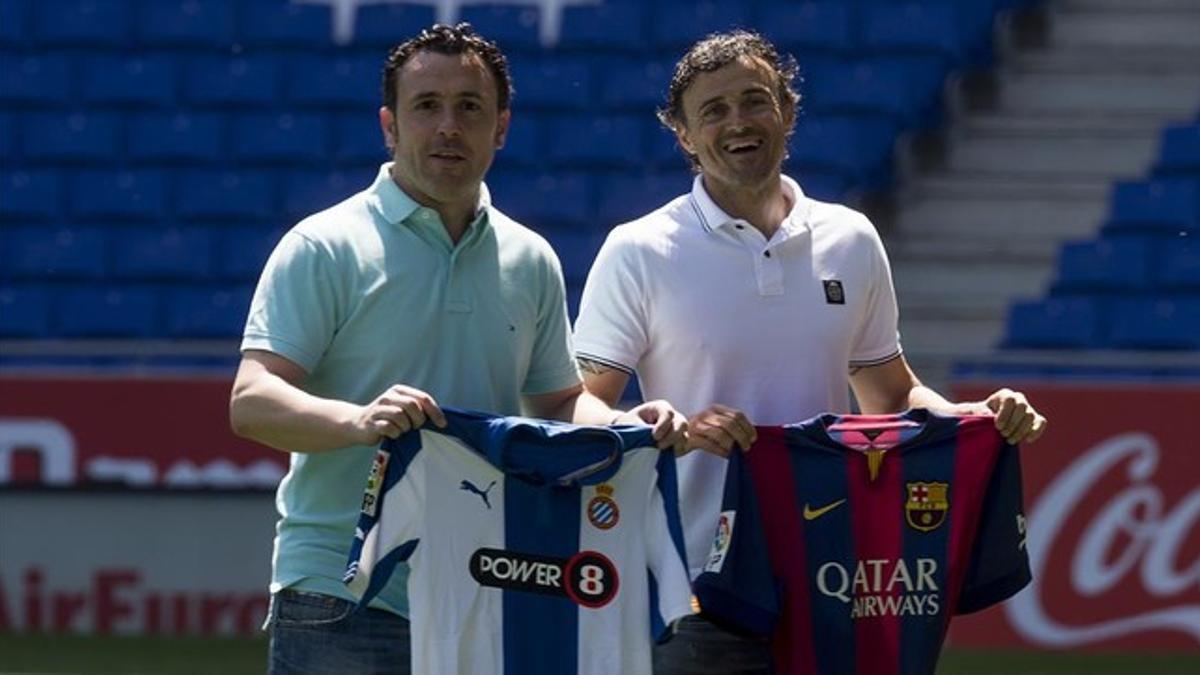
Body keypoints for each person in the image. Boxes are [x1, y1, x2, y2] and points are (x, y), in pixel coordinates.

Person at [572, 30, 1048, 674]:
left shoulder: (850, 239)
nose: (738, 122)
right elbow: (579, 407)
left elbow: (892, 394)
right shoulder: (639, 249)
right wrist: (663, 425)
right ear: (683, 135)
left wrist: (975, 418)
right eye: (713, 110)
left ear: (787, 112)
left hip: (835, 577)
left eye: (754, 101)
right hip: (690, 585)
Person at [228, 23, 687, 675]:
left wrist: (625, 424)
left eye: (469, 107)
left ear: (501, 126)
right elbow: (251, 401)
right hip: (341, 590)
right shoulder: (323, 245)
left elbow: (558, 400)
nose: (449, 125)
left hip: (489, 586)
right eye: (427, 106)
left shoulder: (531, 259)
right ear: (390, 125)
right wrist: (358, 421)